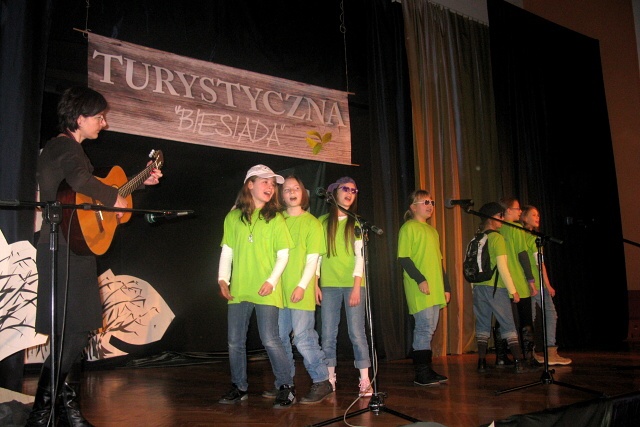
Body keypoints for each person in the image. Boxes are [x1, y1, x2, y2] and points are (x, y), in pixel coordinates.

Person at [28, 86, 163, 427]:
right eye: (99, 117)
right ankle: (44, 412)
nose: (104, 123)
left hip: (75, 248)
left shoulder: (72, 152)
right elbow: (80, 180)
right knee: (72, 332)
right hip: (63, 248)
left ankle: (61, 409)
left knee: (74, 332)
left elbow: (94, 189)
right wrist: (112, 198)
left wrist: (141, 182)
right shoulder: (63, 146)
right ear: (79, 118)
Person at [217, 164, 296, 409]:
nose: (270, 187)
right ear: (250, 184)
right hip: (240, 289)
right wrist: (222, 279)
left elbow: (283, 255)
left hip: (266, 289)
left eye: (273, 184)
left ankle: (286, 386)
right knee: (234, 341)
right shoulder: (232, 217)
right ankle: (239, 387)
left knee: (270, 339)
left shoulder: (276, 218)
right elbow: (227, 251)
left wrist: (271, 281)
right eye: (265, 182)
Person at [270, 175, 333, 404]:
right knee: (279, 338)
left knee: (303, 337)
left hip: (301, 289)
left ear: (303, 193)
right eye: (286, 189)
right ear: (281, 195)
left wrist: (303, 286)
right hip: (279, 291)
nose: (291, 192)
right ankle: (284, 383)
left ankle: (322, 380)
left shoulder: (312, 223)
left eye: (295, 188)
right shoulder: (277, 221)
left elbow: (313, 259)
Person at [315, 177, 372, 397]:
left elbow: (360, 257)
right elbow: (317, 256)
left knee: (356, 333)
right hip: (329, 285)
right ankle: (330, 377)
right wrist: (315, 283)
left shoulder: (356, 222)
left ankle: (365, 379)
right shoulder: (322, 222)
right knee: (328, 333)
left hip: (353, 284)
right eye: (345, 189)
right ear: (334, 192)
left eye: (354, 190)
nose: (350, 193)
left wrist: (357, 286)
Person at [397, 190, 450, 386]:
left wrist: (446, 286)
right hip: (419, 287)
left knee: (430, 329)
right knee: (424, 328)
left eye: (431, 202)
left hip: (435, 287)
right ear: (413, 207)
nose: (430, 206)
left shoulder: (433, 231)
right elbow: (404, 258)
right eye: (425, 202)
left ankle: (427, 369)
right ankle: (421, 373)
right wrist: (420, 280)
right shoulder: (408, 228)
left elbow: (439, 262)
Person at [472, 202, 531, 373]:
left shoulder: (476, 238)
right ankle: (519, 362)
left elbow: (472, 267)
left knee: (482, 324)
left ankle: (481, 362)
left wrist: (473, 288)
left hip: (479, 288)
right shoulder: (497, 238)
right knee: (508, 324)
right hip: (496, 287)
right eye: (500, 216)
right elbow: (503, 267)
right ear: (492, 218)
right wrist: (513, 291)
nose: (502, 219)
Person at [520, 205, 572, 365]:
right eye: (533, 215)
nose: (537, 218)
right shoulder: (532, 239)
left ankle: (531, 353)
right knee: (550, 313)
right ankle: (550, 352)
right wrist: (547, 284)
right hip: (536, 282)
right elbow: (539, 263)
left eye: (538, 215)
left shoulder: (520, 236)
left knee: (531, 316)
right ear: (524, 217)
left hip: (524, 282)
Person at [498, 197, 539, 367]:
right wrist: (531, 280)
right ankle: (528, 356)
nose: (520, 211)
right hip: (518, 282)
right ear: (508, 210)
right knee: (525, 320)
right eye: (517, 209)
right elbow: (523, 256)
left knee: (503, 319)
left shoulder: (498, 228)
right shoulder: (517, 228)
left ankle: (501, 356)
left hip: (502, 283)